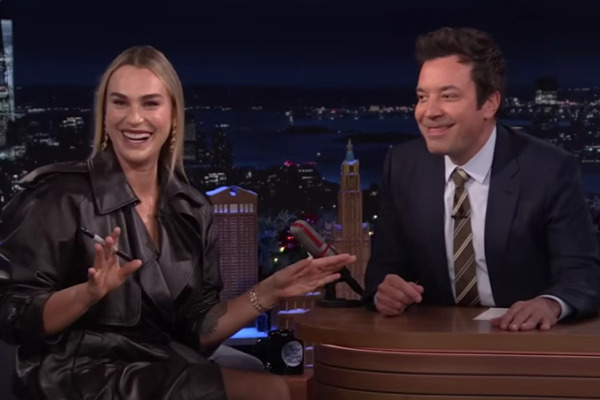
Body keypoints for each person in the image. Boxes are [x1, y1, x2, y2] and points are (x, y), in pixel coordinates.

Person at [0, 45, 355, 400]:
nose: (134, 118)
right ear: (104, 115)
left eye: (150, 103)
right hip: (76, 371)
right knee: (268, 391)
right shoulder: (57, 195)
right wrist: (87, 294)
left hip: (157, 364)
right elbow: (11, 314)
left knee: (271, 387)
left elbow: (197, 331)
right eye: (120, 103)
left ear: (173, 116)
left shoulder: (193, 209)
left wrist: (270, 290)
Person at [363, 27, 600, 331]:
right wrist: (386, 293)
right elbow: (382, 273)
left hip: (525, 341)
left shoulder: (548, 169)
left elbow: (583, 274)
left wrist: (550, 303)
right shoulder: (403, 166)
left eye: (448, 96)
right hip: (434, 340)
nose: (428, 112)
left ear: (489, 103)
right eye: (422, 97)